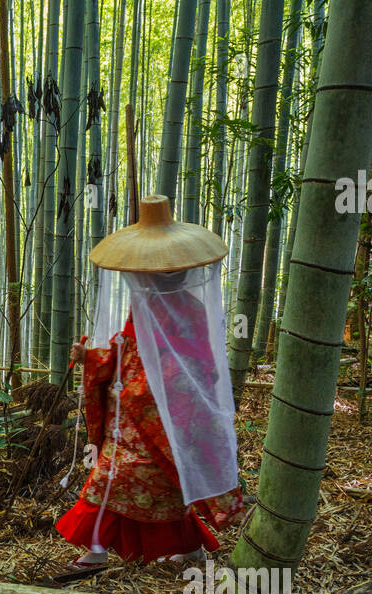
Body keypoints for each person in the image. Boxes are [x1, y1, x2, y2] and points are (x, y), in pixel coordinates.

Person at [56, 196, 244, 567]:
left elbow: (200, 367)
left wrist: (160, 390)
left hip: (167, 419)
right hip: (128, 418)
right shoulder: (140, 308)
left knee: (163, 486)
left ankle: (186, 547)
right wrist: (91, 358)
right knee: (110, 478)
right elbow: (123, 350)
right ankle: (98, 549)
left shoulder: (191, 311)